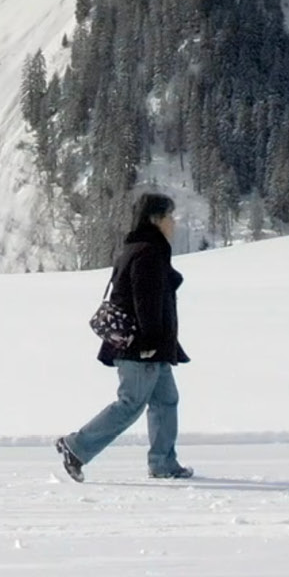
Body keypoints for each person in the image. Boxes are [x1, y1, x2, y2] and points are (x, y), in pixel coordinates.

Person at [55, 192, 191, 481]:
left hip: (147, 346)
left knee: (166, 400)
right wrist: (152, 344)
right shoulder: (148, 252)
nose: (173, 223)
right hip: (142, 347)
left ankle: (163, 462)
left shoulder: (141, 248)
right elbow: (145, 302)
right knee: (130, 404)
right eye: (169, 216)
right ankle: (76, 447)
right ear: (155, 219)